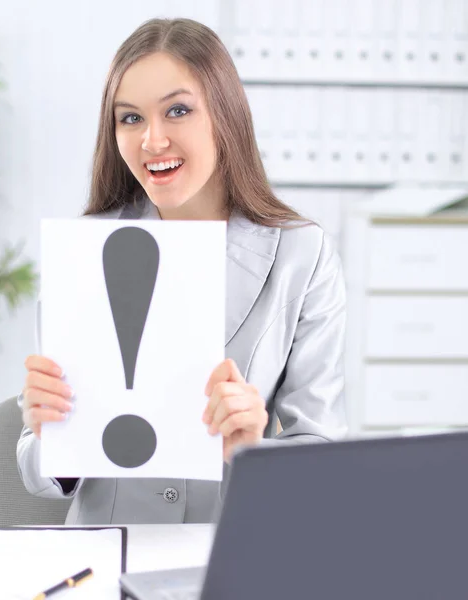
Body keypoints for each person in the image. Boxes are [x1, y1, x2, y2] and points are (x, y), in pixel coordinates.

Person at [17, 17, 347, 525]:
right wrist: (49, 434)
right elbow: (39, 470)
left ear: (224, 115)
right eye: (129, 118)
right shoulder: (87, 250)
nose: (152, 140)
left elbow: (322, 460)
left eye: (177, 110)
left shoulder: (302, 255)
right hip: (109, 550)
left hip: (231, 547)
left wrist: (251, 450)